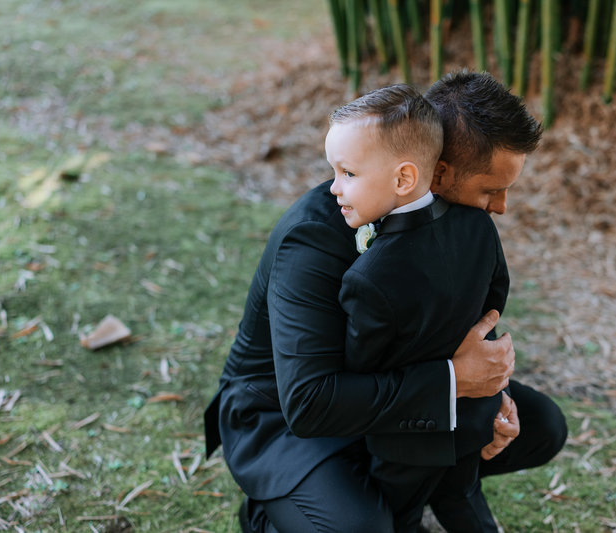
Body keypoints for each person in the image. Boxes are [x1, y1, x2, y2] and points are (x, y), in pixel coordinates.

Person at [204, 71, 567, 533]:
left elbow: (457, 315)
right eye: (490, 189)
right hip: (288, 417)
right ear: (432, 174)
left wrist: (491, 391)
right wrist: (453, 382)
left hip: (385, 391)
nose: (500, 207)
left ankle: (405, 484)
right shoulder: (314, 239)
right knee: (361, 528)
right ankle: (274, 515)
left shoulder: (455, 221)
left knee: (542, 427)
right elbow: (309, 401)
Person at [328, 84, 510, 532]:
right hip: (473, 417)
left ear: (404, 179)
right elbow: (496, 297)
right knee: (464, 497)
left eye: (347, 173)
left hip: (406, 442)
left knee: (399, 518)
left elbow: (363, 367)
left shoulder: (368, 278)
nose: (334, 187)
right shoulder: (477, 226)